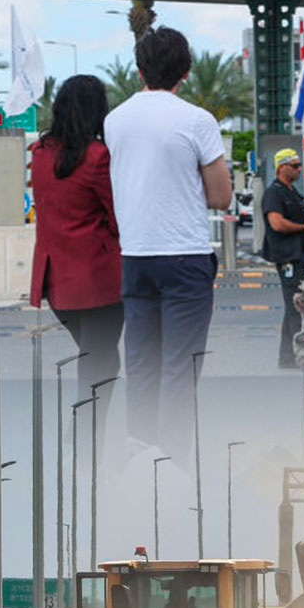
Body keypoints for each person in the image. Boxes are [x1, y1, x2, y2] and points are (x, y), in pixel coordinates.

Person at [104, 26, 231, 464]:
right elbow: (220, 196)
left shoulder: (114, 119)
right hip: (185, 256)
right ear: (187, 72)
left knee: (140, 360)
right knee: (180, 363)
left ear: (139, 69)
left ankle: (138, 448)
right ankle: (172, 459)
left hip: (135, 256)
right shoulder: (197, 120)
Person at [30, 75, 124, 406]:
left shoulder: (40, 153)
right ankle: (85, 447)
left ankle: (85, 442)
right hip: (99, 282)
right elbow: (117, 218)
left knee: (100, 361)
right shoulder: (98, 155)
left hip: (57, 283)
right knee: (99, 366)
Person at [260, 148, 304, 369]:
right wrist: (302, 228)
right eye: (295, 166)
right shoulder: (274, 193)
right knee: (297, 306)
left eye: (299, 165)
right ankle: (301, 356)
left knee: (293, 307)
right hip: (288, 257)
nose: (299, 169)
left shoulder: (294, 193)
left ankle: (288, 357)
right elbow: (276, 223)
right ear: (281, 167)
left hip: (302, 256)